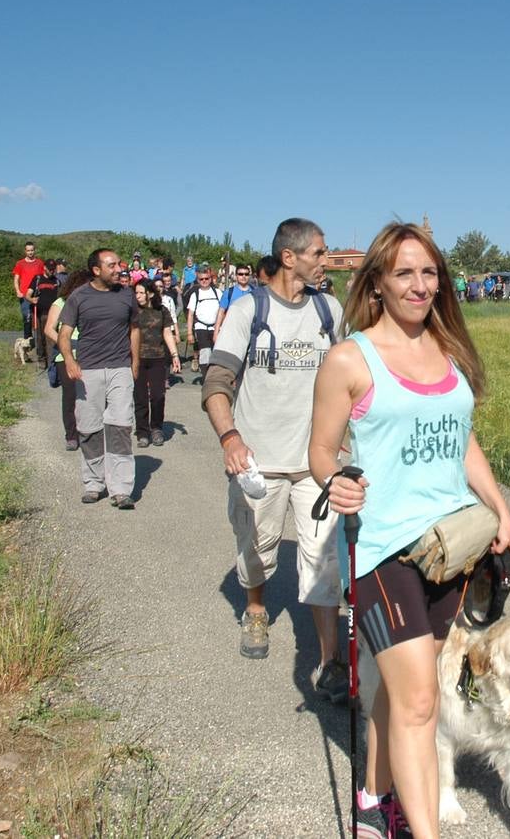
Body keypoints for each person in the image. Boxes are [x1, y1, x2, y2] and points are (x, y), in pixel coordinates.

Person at [311, 221, 510, 839]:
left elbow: (464, 442)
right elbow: (322, 450)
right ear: (377, 281)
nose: (419, 284)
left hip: (448, 551)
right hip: (383, 552)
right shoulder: (350, 358)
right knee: (421, 701)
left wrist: (501, 511)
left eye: (429, 272)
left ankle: (373, 797)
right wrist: (335, 481)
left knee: (401, 695)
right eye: (404, 272)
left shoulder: (448, 348)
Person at [203, 218, 351, 687]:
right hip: (259, 464)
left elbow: (351, 379)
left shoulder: (330, 310)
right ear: (290, 257)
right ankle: (255, 608)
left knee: (325, 560)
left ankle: (330, 663)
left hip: (316, 464)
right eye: (319, 253)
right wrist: (230, 438)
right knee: (257, 552)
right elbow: (216, 383)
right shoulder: (249, 311)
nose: (327, 262)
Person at [58, 248, 141, 509]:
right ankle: (94, 483)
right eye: (112, 266)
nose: (119, 269)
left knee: (120, 426)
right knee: (90, 428)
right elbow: (64, 333)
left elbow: (134, 330)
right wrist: (70, 360)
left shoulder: (127, 295)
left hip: (119, 368)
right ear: (97, 270)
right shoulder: (78, 297)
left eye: (119, 265)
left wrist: (134, 362)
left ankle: (121, 489)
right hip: (88, 371)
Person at [132, 282, 180, 448]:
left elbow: (167, 333)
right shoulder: (132, 310)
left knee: (158, 395)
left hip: (158, 358)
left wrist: (175, 355)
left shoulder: (162, 310)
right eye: (135, 292)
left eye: (140, 292)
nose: (137, 295)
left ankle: (157, 428)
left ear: (150, 294)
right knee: (140, 396)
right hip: (137, 358)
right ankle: (142, 431)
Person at [44, 269, 88, 452]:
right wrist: (66, 344)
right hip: (66, 355)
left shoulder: (90, 303)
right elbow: (49, 329)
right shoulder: (60, 303)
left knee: (89, 397)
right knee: (70, 396)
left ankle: (88, 432)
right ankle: (71, 435)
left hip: (89, 355)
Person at [185, 267, 222, 384]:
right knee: (205, 352)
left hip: (216, 328)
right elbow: (190, 314)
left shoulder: (218, 292)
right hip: (201, 327)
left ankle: (215, 377)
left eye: (207, 278)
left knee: (216, 353)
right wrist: (190, 333)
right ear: (198, 280)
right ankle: (206, 379)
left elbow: (223, 310)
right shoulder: (195, 294)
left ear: (211, 279)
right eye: (201, 279)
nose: (204, 281)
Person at [26, 259, 61, 366]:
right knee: (40, 337)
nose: (51, 271)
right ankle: (42, 359)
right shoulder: (37, 279)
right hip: (38, 313)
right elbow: (27, 294)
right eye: (50, 269)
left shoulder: (57, 281)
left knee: (50, 338)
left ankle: (51, 362)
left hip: (52, 314)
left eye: (53, 269)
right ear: (44, 268)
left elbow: (61, 296)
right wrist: (32, 300)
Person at [12, 241, 46, 347]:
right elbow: (16, 278)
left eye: (32, 250)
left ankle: (41, 343)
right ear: (25, 251)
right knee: (27, 318)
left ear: (34, 250)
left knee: (40, 319)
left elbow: (44, 277)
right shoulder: (20, 263)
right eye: (28, 250)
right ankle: (28, 343)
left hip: (37, 295)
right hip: (24, 295)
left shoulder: (40, 263)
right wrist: (18, 291)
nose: (30, 252)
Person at [212, 263, 254, 344]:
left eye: (246, 274)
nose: (244, 276)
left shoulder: (255, 292)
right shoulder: (228, 292)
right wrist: (216, 332)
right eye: (241, 274)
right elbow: (221, 312)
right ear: (236, 276)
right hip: (232, 331)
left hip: (250, 331)